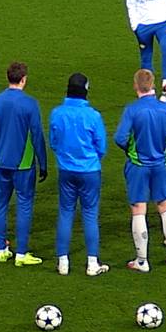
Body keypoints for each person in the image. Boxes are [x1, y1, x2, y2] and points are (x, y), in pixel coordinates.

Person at [113, 69, 166, 272]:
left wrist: (131, 150)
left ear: (136, 86)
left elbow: (120, 138)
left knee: (138, 208)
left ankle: (142, 261)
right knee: (165, 205)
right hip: (160, 163)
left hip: (138, 165)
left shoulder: (132, 110)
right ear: (152, 84)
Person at [50, 73, 110, 277]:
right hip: (89, 170)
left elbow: (54, 142)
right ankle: (92, 262)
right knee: (90, 214)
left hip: (66, 170)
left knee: (66, 212)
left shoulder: (57, 113)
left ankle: (63, 262)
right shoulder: (93, 116)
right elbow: (101, 146)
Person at [0, 62, 48, 267]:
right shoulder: (29, 103)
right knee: (24, 205)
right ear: (23, 79)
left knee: (0, 203)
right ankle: (22, 253)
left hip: (0, 160)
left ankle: (1, 249)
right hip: (23, 164)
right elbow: (37, 135)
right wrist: (43, 163)